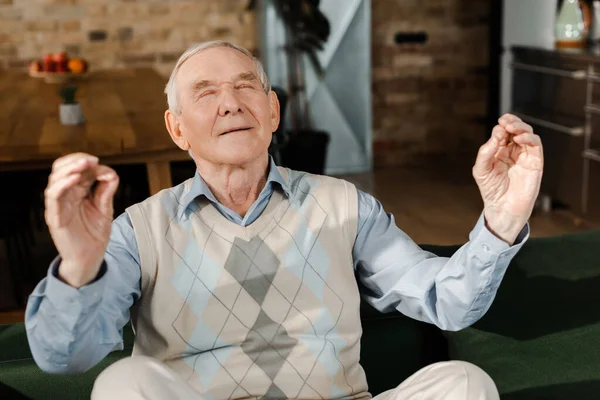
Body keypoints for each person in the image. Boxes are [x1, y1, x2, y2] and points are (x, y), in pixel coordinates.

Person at [25, 40, 543, 400]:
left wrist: (500, 220)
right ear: (177, 128)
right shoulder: (136, 230)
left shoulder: (345, 204)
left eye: (246, 86)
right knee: (121, 384)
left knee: (464, 382)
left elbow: (446, 302)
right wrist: (76, 268)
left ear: (272, 112)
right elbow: (64, 357)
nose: (230, 104)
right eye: (205, 92)